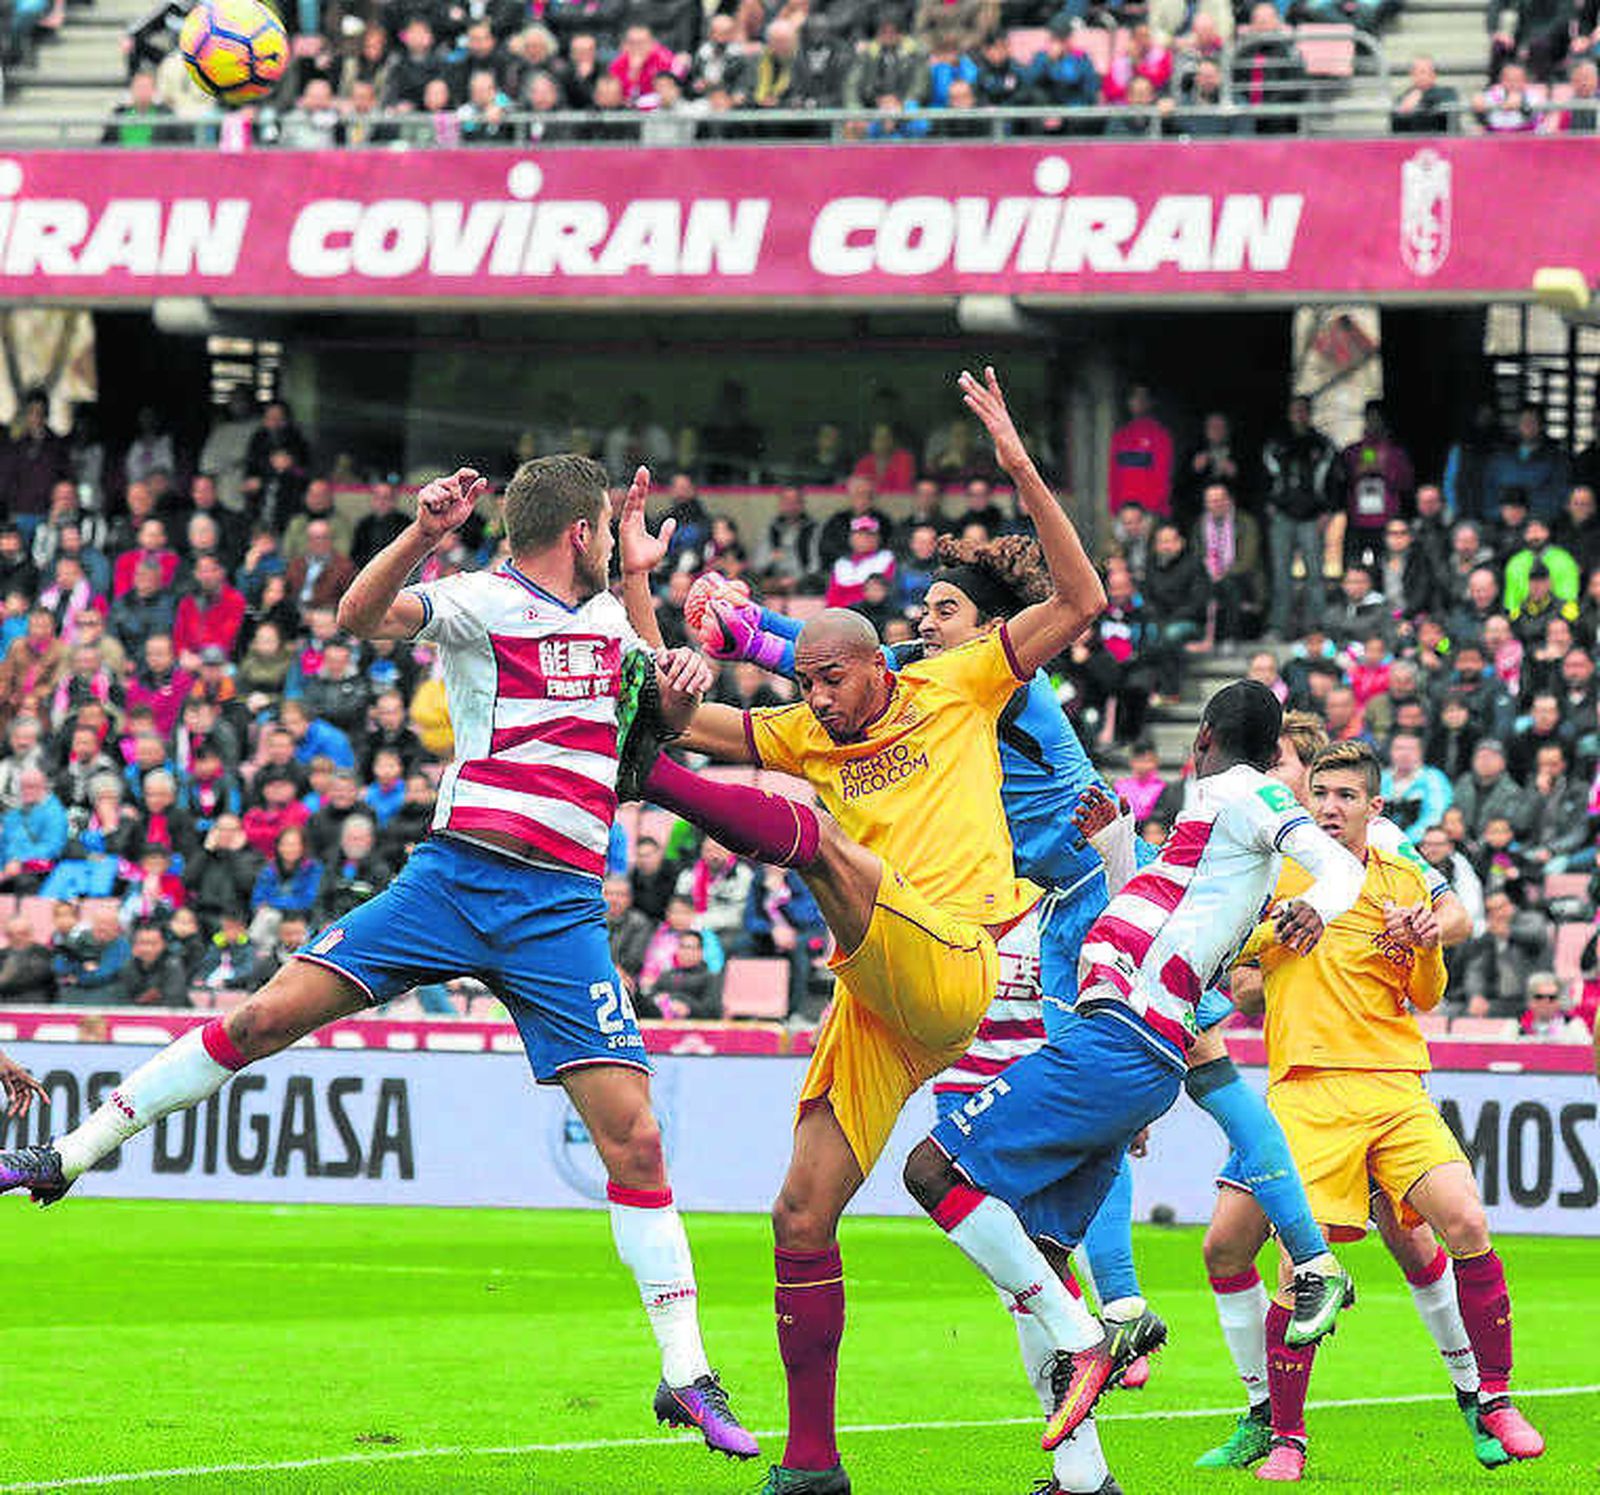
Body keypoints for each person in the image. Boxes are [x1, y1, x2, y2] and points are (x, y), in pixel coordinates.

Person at [0, 457, 758, 1463]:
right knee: (264, 1016)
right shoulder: (484, 599)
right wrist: (421, 531)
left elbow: (654, 707)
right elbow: (359, 616)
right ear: (581, 532)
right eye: (610, 534)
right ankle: (67, 1157)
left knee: (637, 1141)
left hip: (559, 908)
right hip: (451, 879)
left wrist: (669, 638)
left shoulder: (616, 620)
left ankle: (683, 1372)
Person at [616, 367, 1108, 1495]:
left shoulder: (958, 683)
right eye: (804, 681)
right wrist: (639, 585)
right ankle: (811, 1464)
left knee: (824, 845)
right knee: (798, 1214)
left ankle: (659, 792)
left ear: (879, 661)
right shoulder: (805, 729)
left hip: (956, 957)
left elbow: (1079, 601)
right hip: (878, 998)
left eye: (830, 676)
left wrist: (1021, 465)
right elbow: (672, 706)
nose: (818, 697)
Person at [902, 682, 1368, 1469]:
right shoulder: (1215, 836)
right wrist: (1118, 844)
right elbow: (1160, 911)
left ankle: (1099, 1333)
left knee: (931, 1168)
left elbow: (1334, 865)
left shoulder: (1236, 791)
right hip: (1136, 1045)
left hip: (1119, 1037)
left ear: (1206, 737)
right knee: (1044, 1254)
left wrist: (1320, 904)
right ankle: (1083, 1476)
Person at [1229, 740, 1544, 1479]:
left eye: (1346, 796)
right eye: (1322, 794)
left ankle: (1494, 1398)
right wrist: (1278, 932)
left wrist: (1427, 940)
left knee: (1464, 1219)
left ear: (1375, 807)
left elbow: (1427, 992)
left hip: (1396, 1085)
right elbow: (1237, 962)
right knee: (1299, 1272)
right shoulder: (1277, 875)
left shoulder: (1403, 878)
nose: (1331, 807)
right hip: (1307, 1090)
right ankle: (1286, 1436)